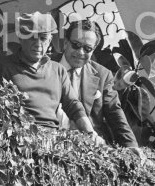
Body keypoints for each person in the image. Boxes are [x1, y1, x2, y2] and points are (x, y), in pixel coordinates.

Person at [0, 12, 102, 143]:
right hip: (17, 138)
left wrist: (90, 133)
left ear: (50, 40)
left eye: (43, 38)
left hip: (51, 140)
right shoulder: (3, 66)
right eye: (32, 37)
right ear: (20, 37)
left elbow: (73, 105)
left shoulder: (58, 70)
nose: (38, 44)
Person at [52, 20, 139, 149]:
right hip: (49, 140)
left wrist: (131, 146)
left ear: (93, 50)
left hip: (89, 147)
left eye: (87, 48)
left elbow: (115, 113)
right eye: (76, 45)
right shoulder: (46, 66)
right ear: (65, 43)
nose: (81, 52)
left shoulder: (103, 75)